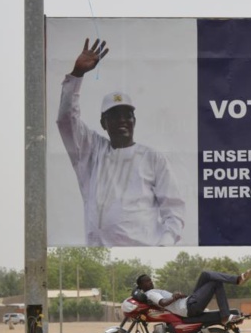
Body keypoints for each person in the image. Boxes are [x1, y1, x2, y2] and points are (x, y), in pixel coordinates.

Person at [56, 38, 185, 247]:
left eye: (127, 115)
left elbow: (174, 210)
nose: (122, 120)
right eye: (114, 116)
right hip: (100, 256)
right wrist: (77, 75)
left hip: (144, 253)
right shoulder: (91, 152)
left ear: (134, 120)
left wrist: (164, 246)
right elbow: (66, 120)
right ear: (103, 123)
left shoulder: (153, 158)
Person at [136, 270, 251, 325]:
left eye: (150, 280)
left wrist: (178, 296)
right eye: (147, 282)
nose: (150, 283)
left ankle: (237, 279)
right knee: (216, 283)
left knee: (205, 274)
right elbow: (162, 302)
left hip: (188, 301)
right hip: (189, 307)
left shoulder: (153, 291)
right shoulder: (150, 293)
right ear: (141, 286)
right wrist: (175, 297)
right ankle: (225, 316)